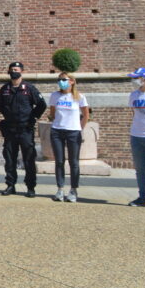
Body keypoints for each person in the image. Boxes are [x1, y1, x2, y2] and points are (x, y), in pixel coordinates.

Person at [0, 61, 46, 198]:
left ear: (21, 71)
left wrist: (33, 117)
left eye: (16, 69)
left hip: (25, 129)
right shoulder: (5, 89)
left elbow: (42, 104)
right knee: (10, 159)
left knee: (29, 159)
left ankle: (30, 187)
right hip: (10, 130)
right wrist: (8, 116)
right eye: (12, 69)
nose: (14, 71)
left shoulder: (29, 88)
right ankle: (10, 185)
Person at [46, 72, 88, 203]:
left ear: (72, 81)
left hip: (73, 132)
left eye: (63, 79)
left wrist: (79, 128)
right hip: (57, 131)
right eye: (59, 80)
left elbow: (86, 115)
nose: (61, 82)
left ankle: (73, 190)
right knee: (59, 161)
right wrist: (55, 122)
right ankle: (60, 189)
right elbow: (52, 113)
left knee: (73, 162)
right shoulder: (55, 96)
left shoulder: (79, 97)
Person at [126, 67, 145, 207]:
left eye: (137, 78)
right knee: (140, 170)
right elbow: (133, 113)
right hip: (136, 136)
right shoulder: (133, 95)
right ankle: (144, 197)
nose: (134, 81)